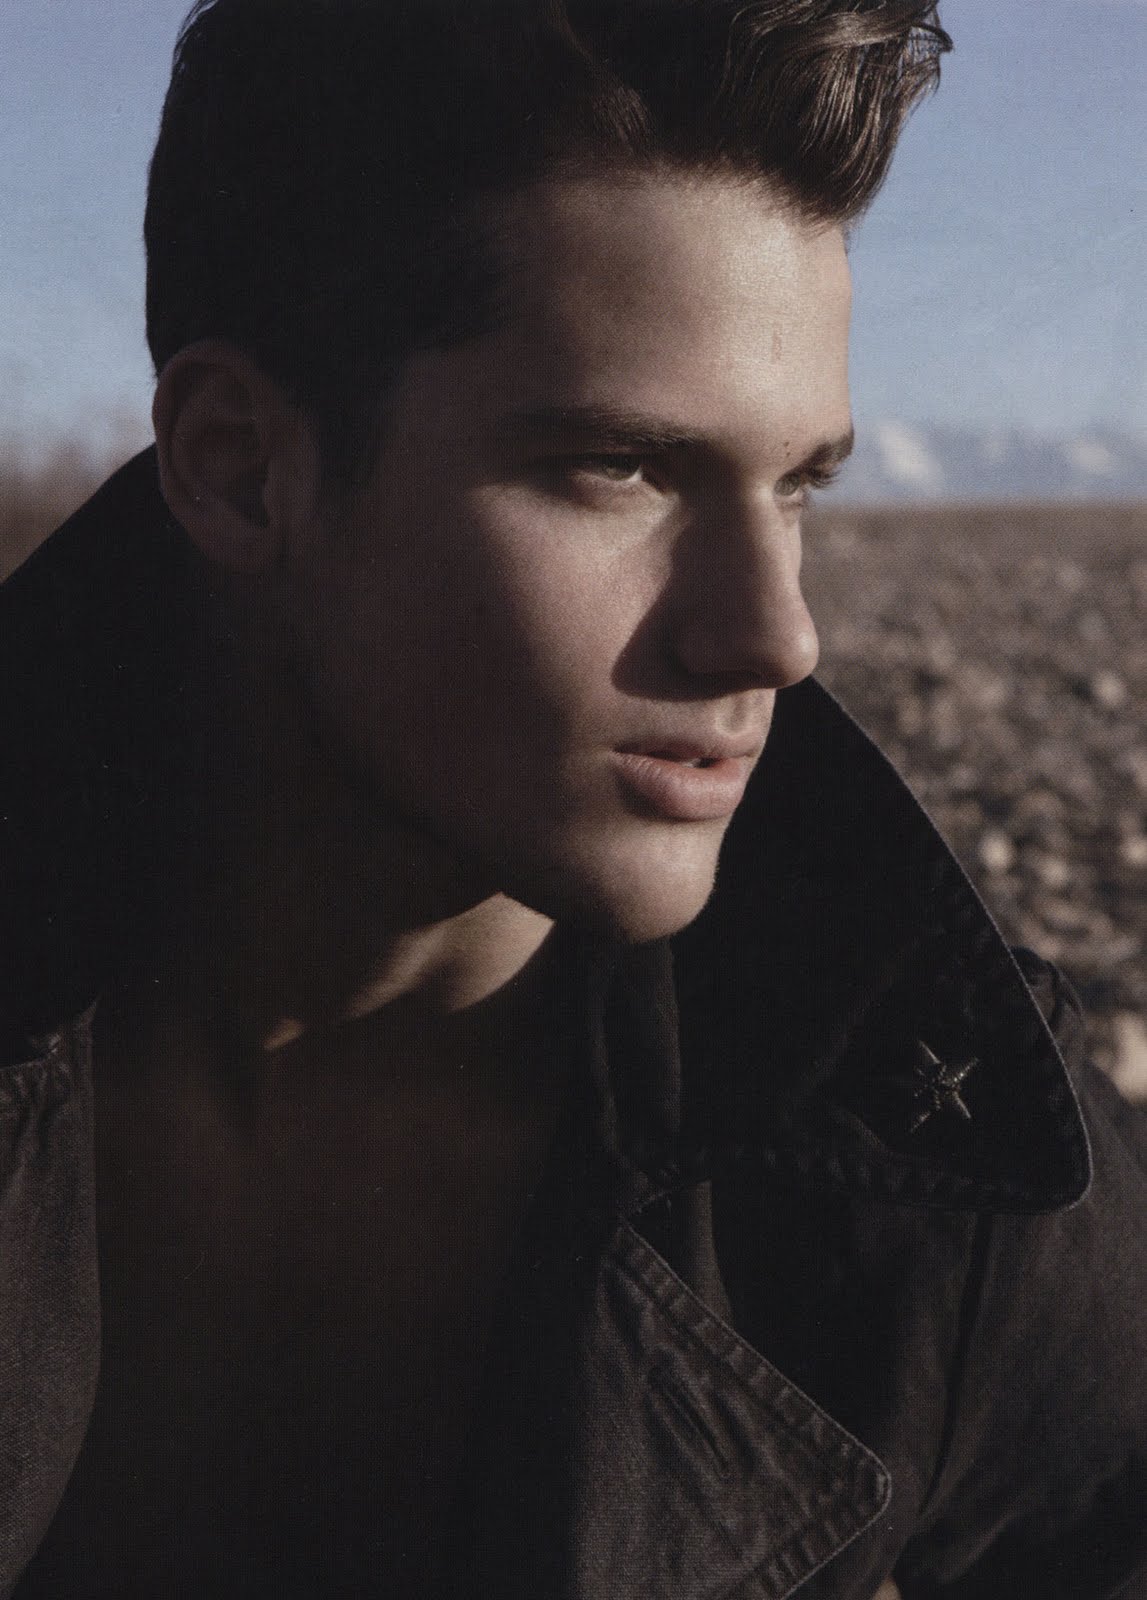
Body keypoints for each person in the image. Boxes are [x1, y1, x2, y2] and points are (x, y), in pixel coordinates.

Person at [1, 1, 1144, 1595]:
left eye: (799, 485)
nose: (776, 634)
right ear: (241, 465)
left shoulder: (930, 1151)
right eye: (623, 468)